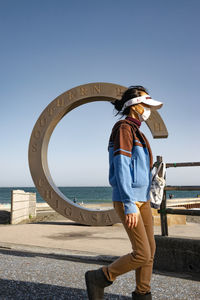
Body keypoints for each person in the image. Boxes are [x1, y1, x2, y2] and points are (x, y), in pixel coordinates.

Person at [85, 85, 163, 300]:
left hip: (143, 199)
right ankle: (99, 277)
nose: (149, 109)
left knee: (150, 252)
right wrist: (129, 203)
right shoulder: (123, 129)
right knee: (142, 253)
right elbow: (121, 167)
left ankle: (142, 293)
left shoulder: (138, 132)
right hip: (129, 199)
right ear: (135, 106)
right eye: (146, 105)